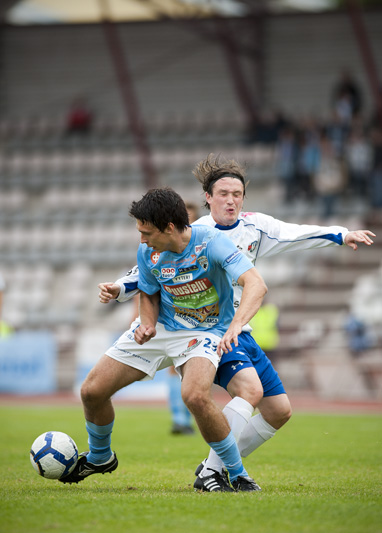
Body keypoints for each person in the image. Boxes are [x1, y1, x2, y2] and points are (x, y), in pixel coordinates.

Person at [101, 155, 376, 490]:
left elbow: (295, 233)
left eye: (237, 193)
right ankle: (216, 469)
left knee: (279, 411)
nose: (231, 200)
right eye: (223, 193)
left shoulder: (256, 227)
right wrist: (120, 289)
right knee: (248, 390)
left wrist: (341, 235)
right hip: (208, 330)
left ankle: (212, 465)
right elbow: (148, 268)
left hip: (240, 328)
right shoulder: (196, 232)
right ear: (208, 197)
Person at [61, 187, 268, 492]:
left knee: (195, 396)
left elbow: (255, 283)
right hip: (162, 328)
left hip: (204, 332)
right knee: (92, 391)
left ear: (169, 227)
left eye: (146, 232)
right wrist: (146, 324)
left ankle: (234, 473)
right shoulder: (148, 252)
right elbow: (148, 291)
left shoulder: (211, 243)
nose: (142, 239)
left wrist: (237, 324)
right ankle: (100, 457)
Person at [168, 201, 200, 435]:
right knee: (174, 369)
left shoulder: (205, 244)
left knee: (197, 371)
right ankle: (180, 419)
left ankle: (191, 416)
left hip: (203, 319)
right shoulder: (164, 249)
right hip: (175, 318)